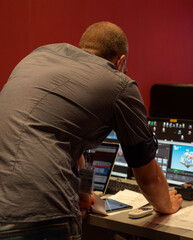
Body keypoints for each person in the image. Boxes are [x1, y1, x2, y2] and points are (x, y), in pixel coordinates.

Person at [0, 21, 183, 238]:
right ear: (120, 61)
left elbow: (53, 132)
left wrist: (81, 192)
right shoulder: (119, 84)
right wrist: (166, 205)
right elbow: (147, 176)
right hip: (41, 214)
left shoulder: (38, 57)